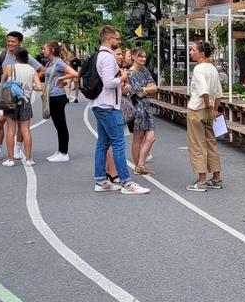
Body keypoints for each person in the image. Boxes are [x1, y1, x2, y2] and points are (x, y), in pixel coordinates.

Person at [90, 26, 149, 195]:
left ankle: (101, 180)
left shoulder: (97, 56)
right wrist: (122, 78)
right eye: (117, 39)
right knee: (119, 143)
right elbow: (109, 83)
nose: (119, 42)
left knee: (102, 143)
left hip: (99, 104)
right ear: (109, 39)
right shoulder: (108, 58)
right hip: (109, 105)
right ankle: (127, 183)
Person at [0, 31, 43, 161]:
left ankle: (17, 149)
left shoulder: (26, 57)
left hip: (22, 96)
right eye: (8, 41)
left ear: (19, 42)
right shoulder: (1, 56)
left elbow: (41, 69)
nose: (10, 43)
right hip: (5, 95)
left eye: (13, 41)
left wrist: (28, 84)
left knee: (22, 124)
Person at [185, 40, 224, 192]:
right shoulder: (213, 68)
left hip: (197, 108)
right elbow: (219, 93)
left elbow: (204, 90)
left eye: (193, 50)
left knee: (197, 144)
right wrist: (214, 108)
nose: (190, 52)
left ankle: (201, 181)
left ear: (201, 53)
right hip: (210, 110)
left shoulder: (199, 69)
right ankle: (216, 178)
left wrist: (207, 103)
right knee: (211, 143)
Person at [0, 48, 41, 167]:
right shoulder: (32, 69)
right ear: (27, 57)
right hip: (25, 101)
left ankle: (11, 159)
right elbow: (39, 87)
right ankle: (28, 159)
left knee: (11, 130)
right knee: (25, 130)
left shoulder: (9, 68)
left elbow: (2, 84)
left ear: (15, 57)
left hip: (11, 101)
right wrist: (28, 87)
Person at [41, 41, 77, 162]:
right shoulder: (49, 63)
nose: (43, 50)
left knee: (61, 125)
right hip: (51, 96)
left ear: (51, 49)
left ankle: (64, 153)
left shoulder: (58, 62)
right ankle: (60, 150)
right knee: (57, 125)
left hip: (58, 96)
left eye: (44, 48)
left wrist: (61, 78)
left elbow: (74, 73)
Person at [125, 48, 158, 175]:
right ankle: (139, 165)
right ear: (133, 57)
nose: (143, 59)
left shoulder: (144, 70)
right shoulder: (130, 73)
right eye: (140, 57)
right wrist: (147, 89)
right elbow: (138, 93)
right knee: (138, 138)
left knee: (151, 137)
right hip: (137, 108)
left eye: (144, 57)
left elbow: (154, 86)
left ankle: (140, 164)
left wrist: (147, 89)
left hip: (146, 107)